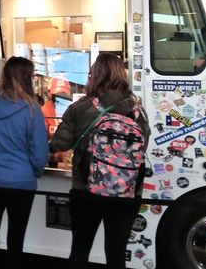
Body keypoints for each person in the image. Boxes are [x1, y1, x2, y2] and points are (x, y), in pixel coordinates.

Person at [51, 53, 150, 269]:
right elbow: (144, 144)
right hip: (127, 191)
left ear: (94, 74)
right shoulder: (137, 110)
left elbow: (60, 144)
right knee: (116, 254)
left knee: (80, 250)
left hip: (86, 189)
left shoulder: (81, 107)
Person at [0, 56, 49, 269]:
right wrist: (35, 171)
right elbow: (40, 152)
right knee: (16, 240)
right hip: (21, 182)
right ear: (28, 78)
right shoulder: (32, 109)